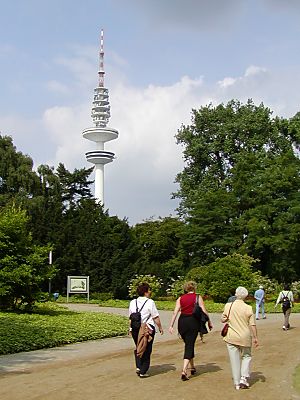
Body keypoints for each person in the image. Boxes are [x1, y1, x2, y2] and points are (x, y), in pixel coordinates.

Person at [168, 281, 213, 381]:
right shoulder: (197, 297)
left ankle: (192, 367)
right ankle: (184, 370)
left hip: (182, 322)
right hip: (193, 322)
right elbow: (204, 310)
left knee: (189, 343)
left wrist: (171, 325)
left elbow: (175, 312)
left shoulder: (180, 298)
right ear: (194, 288)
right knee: (189, 345)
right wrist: (209, 322)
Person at [221, 286, 258, 391]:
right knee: (246, 356)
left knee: (234, 359)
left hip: (231, 336)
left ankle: (237, 383)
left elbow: (223, 319)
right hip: (244, 336)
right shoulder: (248, 308)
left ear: (236, 294)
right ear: (246, 296)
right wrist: (255, 337)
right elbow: (252, 325)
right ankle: (243, 377)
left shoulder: (228, 305)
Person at [128, 282, 163, 378]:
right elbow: (155, 317)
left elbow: (130, 317)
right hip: (147, 329)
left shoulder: (132, 302)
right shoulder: (150, 302)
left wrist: (130, 329)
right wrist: (160, 327)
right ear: (146, 292)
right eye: (149, 290)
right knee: (147, 349)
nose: (150, 292)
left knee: (138, 346)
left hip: (135, 328)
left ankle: (139, 366)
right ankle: (143, 370)